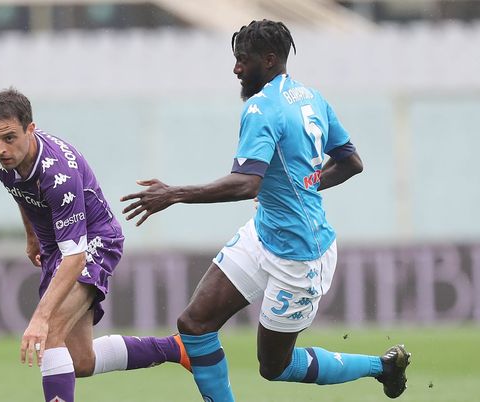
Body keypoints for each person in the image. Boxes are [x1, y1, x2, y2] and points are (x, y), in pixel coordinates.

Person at [121, 19, 410, 401]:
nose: (236, 68)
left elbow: (246, 183)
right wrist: (304, 182)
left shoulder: (262, 108)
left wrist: (174, 193)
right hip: (264, 233)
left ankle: (383, 367)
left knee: (275, 367)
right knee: (194, 324)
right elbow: (351, 161)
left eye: (243, 60)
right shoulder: (311, 97)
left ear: (269, 60)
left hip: (299, 256)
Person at [0, 88, 190, 402]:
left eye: (9, 138)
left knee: (50, 331)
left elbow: (75, 258)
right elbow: (17, 189)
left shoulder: (57, 177)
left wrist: (40, 318)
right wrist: (31, 234)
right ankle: (175, 348)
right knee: (80, 360)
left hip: (94, 242)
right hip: (58, 246)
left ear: (30, 129)